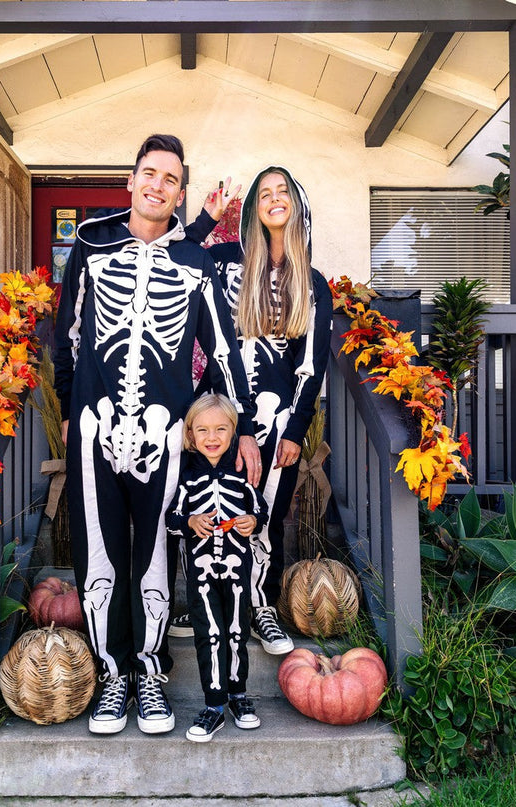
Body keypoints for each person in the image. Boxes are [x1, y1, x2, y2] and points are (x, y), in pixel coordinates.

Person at [52, 134, 260, 736]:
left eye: (170, 178)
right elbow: (66, 337)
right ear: (132, 179)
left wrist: (236, 425)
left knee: (154, 557)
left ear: (179, 191)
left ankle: (150, 675)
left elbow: (219, 351)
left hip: (166, 434)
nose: (157, 185)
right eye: (150, 174)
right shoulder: (91, 243)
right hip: (94, 425)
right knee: (101, 555)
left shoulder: (195, 262)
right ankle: (112, 675)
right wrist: (70, 409)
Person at [172, 166, 333, 655]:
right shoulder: (223, 263)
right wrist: (205, 218)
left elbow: (312, 363)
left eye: (284, 190)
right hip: (217, 411)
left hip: (279, 416)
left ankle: (261, 606)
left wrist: (296, 429)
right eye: (265, 193)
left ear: (296, 205)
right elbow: (174, 253)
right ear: (253, 209)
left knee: (266, 511)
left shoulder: (312, 284)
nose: (274, 198)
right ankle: (196, 603)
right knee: (201, 503)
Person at [166, 394, 268, 742]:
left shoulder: (240, 477)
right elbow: (172, 519)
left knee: (237, 632)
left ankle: (238, 696)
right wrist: (191, 520)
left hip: (238, 571)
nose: (212, 437)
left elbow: (261, 509)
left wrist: (252, 521)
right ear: (191, 435)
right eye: (203, 430)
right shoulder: (187, 479)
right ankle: (214, 704)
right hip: (202, 572)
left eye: (221, 429)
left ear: (233, 433)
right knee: (209, 634)